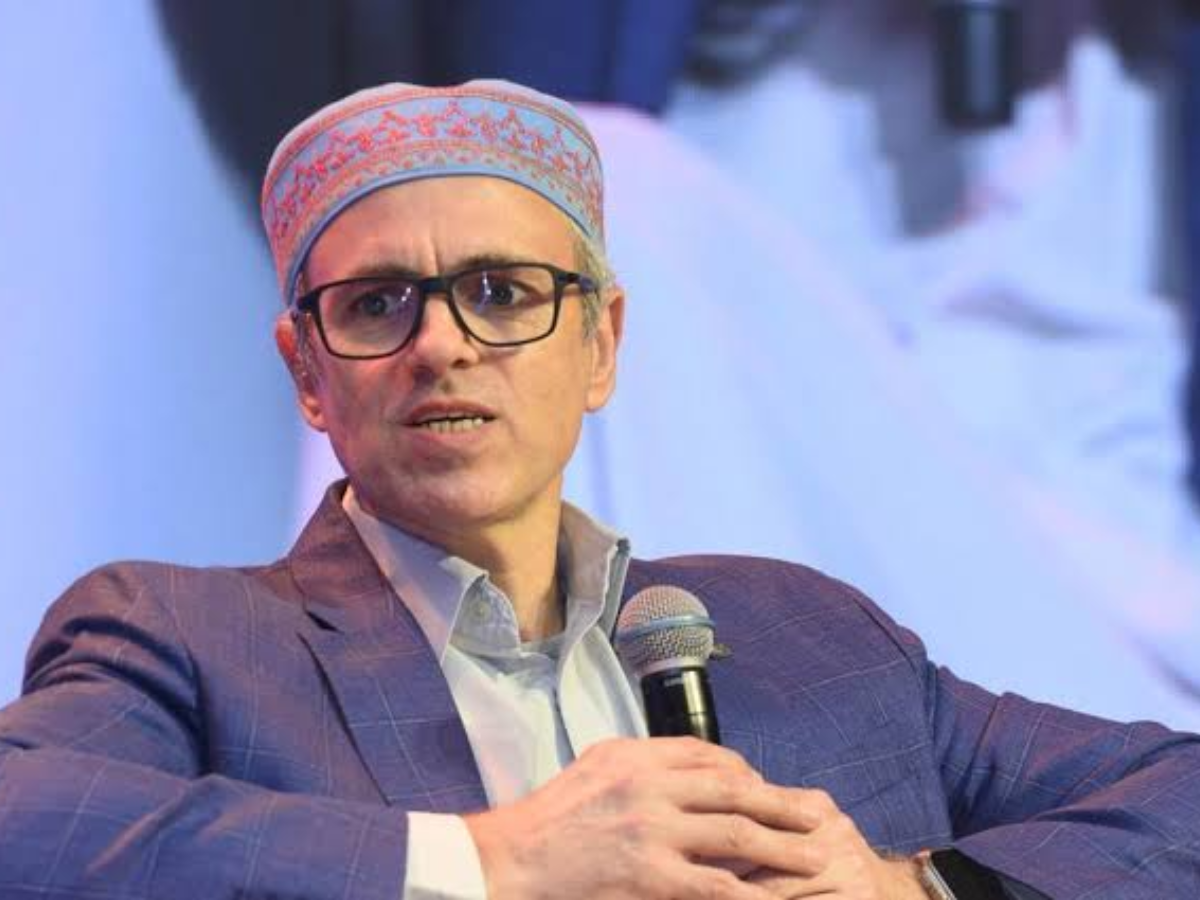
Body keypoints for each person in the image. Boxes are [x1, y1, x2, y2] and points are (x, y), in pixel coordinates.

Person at [0, 79, 1197, 900]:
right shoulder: (188, 640)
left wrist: (915, 885)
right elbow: (27, 824)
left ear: (602, 345)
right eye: (376, 305)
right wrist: (495, 864)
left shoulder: (810, 631)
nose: (441, 346)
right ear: (308, 373)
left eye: (502, 293)